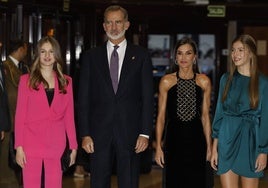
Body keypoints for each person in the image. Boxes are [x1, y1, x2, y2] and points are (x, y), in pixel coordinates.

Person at [77, 5, 154, 188]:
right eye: (109, 22)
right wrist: (85, 134)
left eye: (118, 22)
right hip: (98, 134)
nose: (114, 27)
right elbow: (83, 99)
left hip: (130, 132)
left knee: (129, 182)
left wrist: (144, 133)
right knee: (98, 182)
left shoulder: (141, 56)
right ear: (104, 26)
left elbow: (147, 97)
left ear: (127, 24)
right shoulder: (91, 57)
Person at [14, 36, 78, 188]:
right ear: (38, 54)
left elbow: (69, 117)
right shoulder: (26, 80)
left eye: (51, 51)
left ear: (56, 55)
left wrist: (74, 147)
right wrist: (19, 147)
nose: (47, 56)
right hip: (31, 143)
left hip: (56, 144)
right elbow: (20, 116)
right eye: (43, 52)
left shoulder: (66, 82)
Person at [210, 34, 268, 188]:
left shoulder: (263, 83)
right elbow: (219, 114)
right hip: (226, 139)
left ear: (251, 53)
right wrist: (214, 147)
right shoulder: (226, 79)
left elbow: (265, 120)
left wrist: (263, 151)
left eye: (240, 50)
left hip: (250, 143)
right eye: (233, 50)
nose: (235, 54)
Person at [154, 37, 213, 187]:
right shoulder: (166, 81)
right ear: (175, 57)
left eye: (188, 53)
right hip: (174, 141)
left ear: (195, 57)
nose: (183, 57)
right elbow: (161, 117)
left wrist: (209, 146)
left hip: (197, 141)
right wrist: (158, 147)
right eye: (180, 53)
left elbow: (206, 117)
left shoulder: (204, 81)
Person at [0, 39, 29, 187]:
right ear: (19, 49)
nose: (26, 52)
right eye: (25, 49)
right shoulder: (5, 68)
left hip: (20, 121)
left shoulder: (23, 68)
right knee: (6, 156)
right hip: (8, 120)